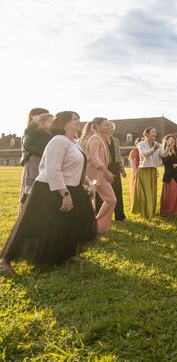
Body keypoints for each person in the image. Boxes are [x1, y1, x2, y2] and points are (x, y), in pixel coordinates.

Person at [0, 111, 96, 275]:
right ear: (65, 123)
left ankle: (66, 254)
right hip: (48, 188)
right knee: (32, 225)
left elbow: (76, 167)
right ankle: (5, 261)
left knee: (68, 223)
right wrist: (65, 194)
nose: (78, 121)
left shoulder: (75, 142)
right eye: (74, 119)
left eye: (78, 118)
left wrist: (88, 182)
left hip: (70, 186)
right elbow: (53, 168)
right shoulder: (57, 141)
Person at [86, 118, 117, 234]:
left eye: (109, 125)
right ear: (98, 127)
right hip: (91, 176)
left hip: (100, 175)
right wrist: (106, 172)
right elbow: (94, 158)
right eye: (106, 125)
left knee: (111, 199)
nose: (110, 127)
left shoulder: (102, 139)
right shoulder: (95, 139)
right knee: (89, 204)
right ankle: (96, 228)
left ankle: (98, 227)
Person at [19, 110, 53, 212]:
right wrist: (45, 153)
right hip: (35, 160)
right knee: (31, 181)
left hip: (45, 160)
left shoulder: (50, 134)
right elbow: (29, 146)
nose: (52, 123)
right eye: (49, 121)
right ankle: (24, 200)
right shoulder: (32, 132)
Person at [96, 121, 127, 221]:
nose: (110, 129)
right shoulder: (99, 140)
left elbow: (118, 156)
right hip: (103, 168)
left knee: (117, 191)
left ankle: (120, 216)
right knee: (101, 194)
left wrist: (122, 170)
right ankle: (99, 216)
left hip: (114, 168)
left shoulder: (116, 141)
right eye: (108, 127)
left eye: (112, 128)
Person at [133, 127, 162, 218]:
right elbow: (144, 154)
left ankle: (151, 212)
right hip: (144, 170)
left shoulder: (158, 144)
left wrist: (168, 147)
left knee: (152, 192)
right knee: (146, 193)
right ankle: (146, 213)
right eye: (153, 131)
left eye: (155, 131)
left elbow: (163, 154)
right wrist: (154, 149)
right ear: (146, 134)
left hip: (153, 170)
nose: (155, 133)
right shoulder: (141, 144)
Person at [159, 134, 177, 216]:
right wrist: (171, 156)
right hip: (169, 173)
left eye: (174, 140)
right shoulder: (164, 150)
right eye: (170, 140)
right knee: (171, 191)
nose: (172, 141)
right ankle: (169, 210)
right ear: (166, 141)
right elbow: (165, 162)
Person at [128, 138, 141, 209]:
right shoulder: (134, 151)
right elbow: (132, 164)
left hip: (143, 171)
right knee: (136, 188)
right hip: (137, 171)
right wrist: (136, 172)